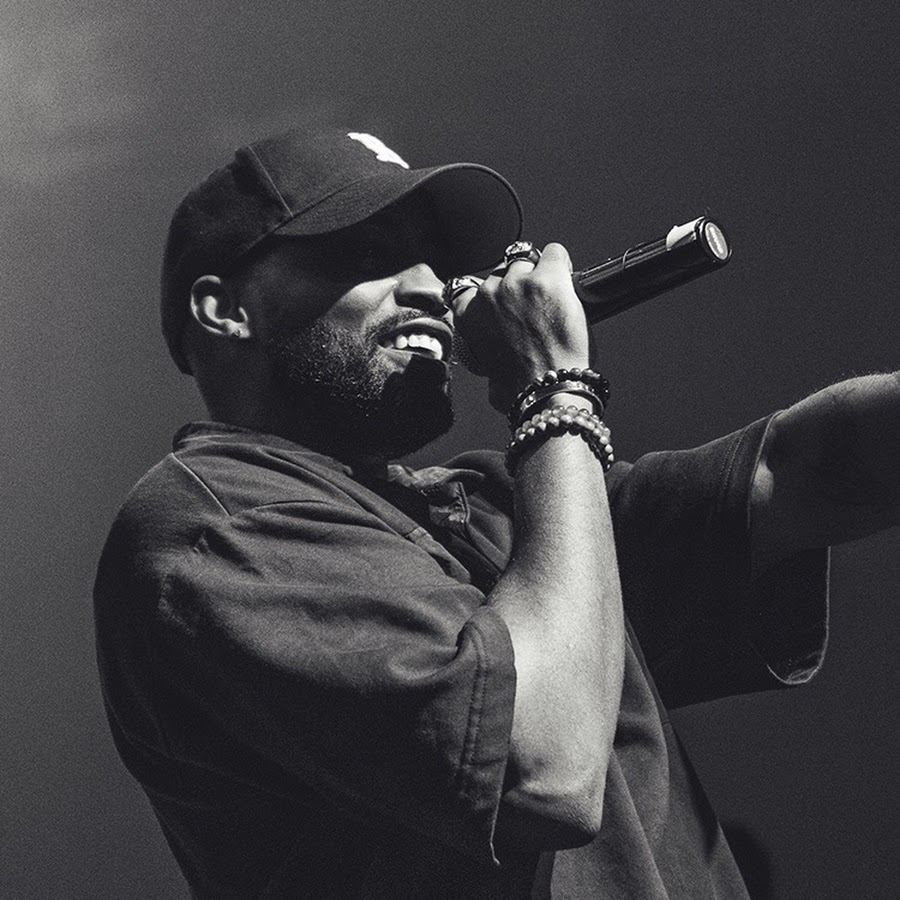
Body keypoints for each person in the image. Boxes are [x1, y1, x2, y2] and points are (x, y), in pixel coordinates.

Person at [93, 126, 899, 899]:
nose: (430, 288)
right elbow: (543, 772)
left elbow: (808, 471)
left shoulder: (494, 509)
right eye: (369, 255)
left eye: (436, 261)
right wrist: (553, 391)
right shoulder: (215, 527)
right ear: (225, 309)